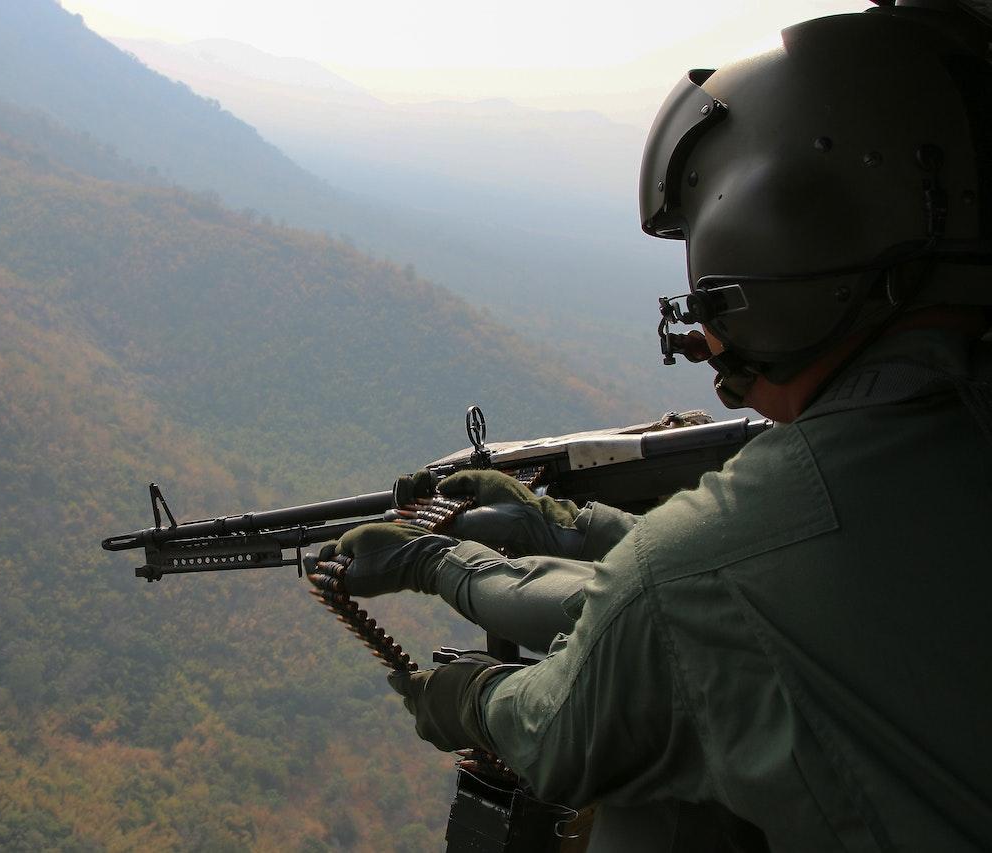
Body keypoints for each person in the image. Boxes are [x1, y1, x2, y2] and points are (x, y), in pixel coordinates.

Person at [324, 5, 992, 850]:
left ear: (766, 250)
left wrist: (463, 685)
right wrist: (563, 527)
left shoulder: (719, 559)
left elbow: (565, 726)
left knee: (644, 802)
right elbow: (734, 592)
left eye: (706, 293)